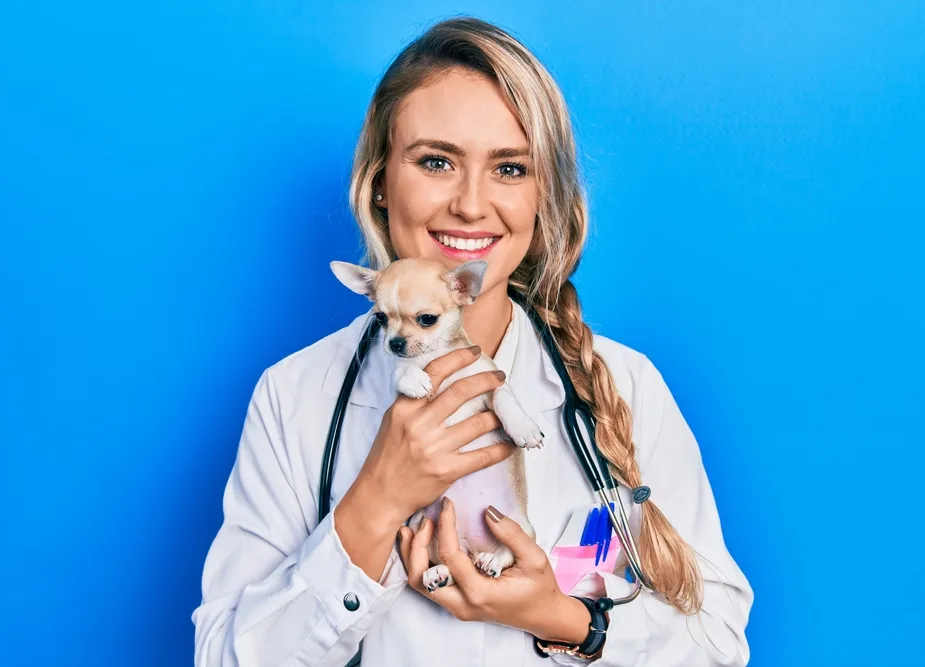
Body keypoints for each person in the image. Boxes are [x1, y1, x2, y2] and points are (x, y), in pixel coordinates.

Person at [192, 16, 753, 667]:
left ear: (544, 195)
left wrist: (563, 618)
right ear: (379, 181)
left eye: (510, 168)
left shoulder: (626, 386)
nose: (470, 204)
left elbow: (717, 644)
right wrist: (374, 502)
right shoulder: (296, 396)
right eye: (436, 162)